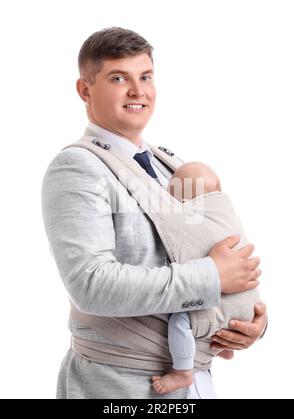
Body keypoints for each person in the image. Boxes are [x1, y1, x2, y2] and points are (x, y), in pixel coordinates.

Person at [41, 27, 267, 399]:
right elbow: (90, 284)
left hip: (195, 380)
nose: (138, 91)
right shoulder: (78, 167)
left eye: (145, 77)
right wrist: (212, 276)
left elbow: (210, 248)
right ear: (85, 90)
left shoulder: (170, 163)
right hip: (121, 385)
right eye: (119, 78)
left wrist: (250, 321)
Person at [152, 161, 260, 394]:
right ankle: (221, 346)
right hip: (249, 305)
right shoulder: (226, 214)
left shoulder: (188, 218)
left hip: (218, 304)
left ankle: (182, 371)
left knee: (181, 320)